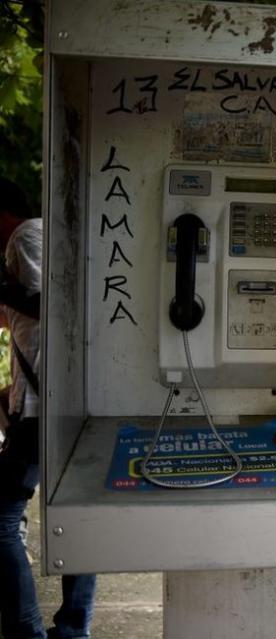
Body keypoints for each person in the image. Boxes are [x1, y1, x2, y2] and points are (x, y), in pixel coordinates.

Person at [0, 177, 97, 639]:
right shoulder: (30, 243)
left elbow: (47, 304)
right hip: (45, 406)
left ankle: (30, 632)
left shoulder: (26, 235)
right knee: (77, 517)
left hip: (43, 412)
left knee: (0, 520)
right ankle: (72, 630)